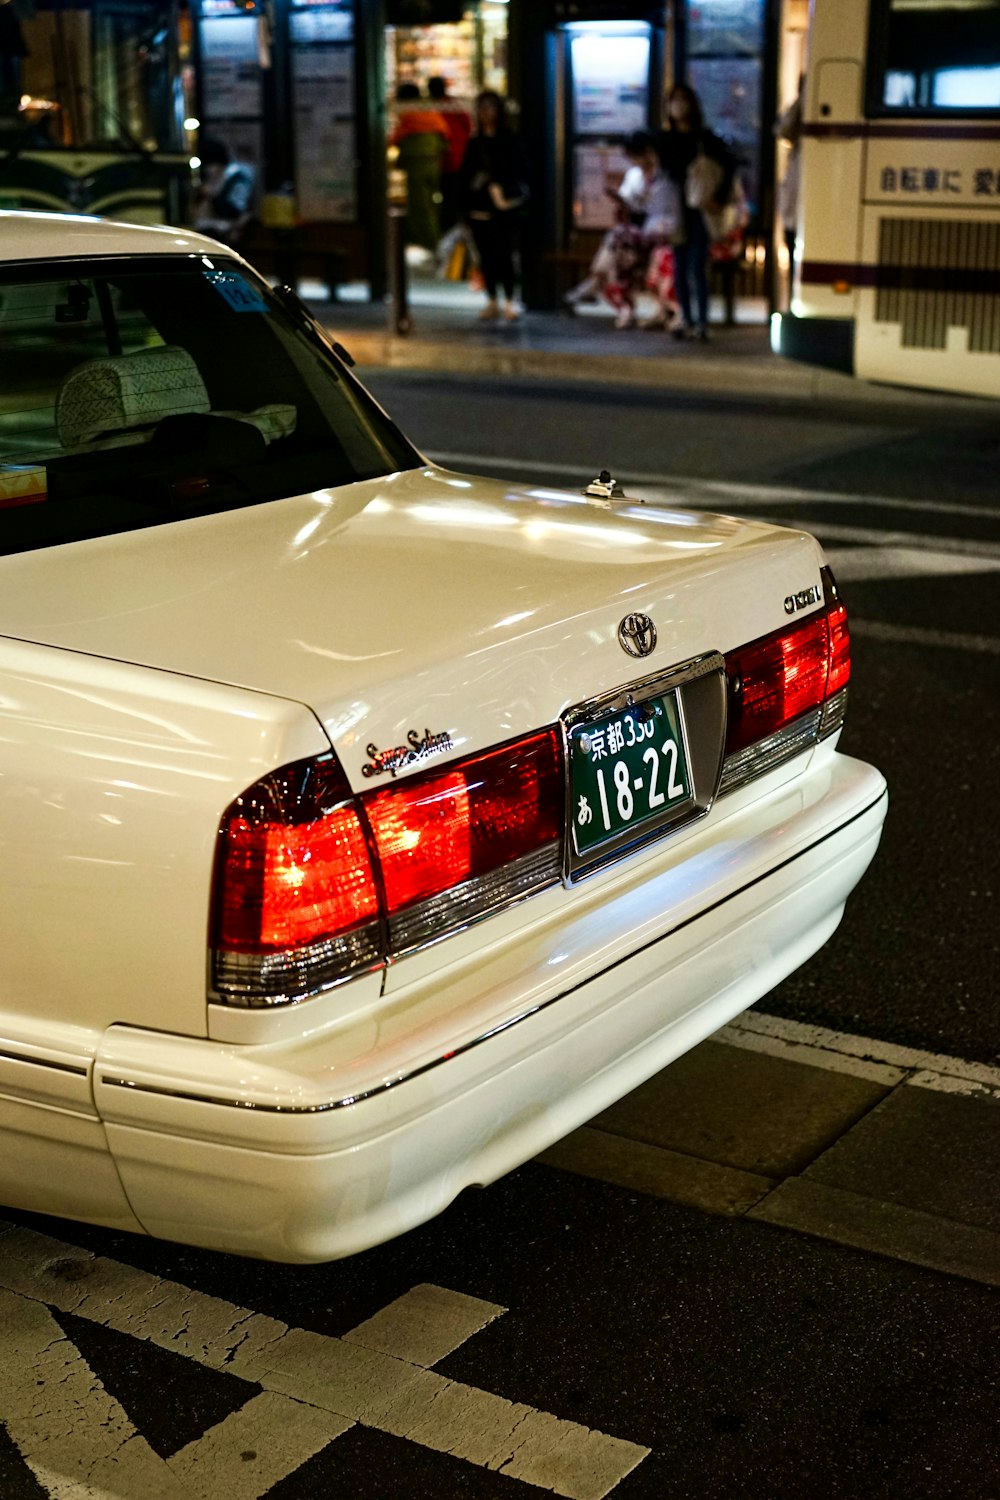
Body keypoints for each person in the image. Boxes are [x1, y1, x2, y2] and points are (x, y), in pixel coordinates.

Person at [564, 131, 681, 331]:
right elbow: (630, 209)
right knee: (619, 246)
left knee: (620, 243)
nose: (639, 160)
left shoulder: (668, 174)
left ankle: (595, 282)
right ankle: (619, 302)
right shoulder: (634, 176)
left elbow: (671, 208)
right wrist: (622, 202)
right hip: (643, 233)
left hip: (667, 233)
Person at [656, 83, 738, 341]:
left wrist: (718, 198)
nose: (679, 106)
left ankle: (701, 321)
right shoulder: (666, 140)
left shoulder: (706, 139)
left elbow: (729, 165)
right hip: (675, 211)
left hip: (700, 210)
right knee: (679, 268)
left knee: (696, 267)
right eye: (674, 100)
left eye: (683, 100)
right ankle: (686, 319)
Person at [458, 90, 528, 323]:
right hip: (479, 207)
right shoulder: (474, 142)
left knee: (505, 254)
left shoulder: (510, 140)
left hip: (504, 207)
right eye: (482, 108)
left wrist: (497, 180)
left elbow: (520, 170)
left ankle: (509, 300)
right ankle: (492, 300)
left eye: (490, 107)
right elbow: (465, 175)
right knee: (485, 256)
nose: (486, 112)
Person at [390, 81, 449, 253]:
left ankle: (429, 242)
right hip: (434, 163)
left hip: (417, 164)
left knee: (420, 205)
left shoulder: (410, 114)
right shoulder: (430, 110)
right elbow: (444, 135)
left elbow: (396, 138)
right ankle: (433, 239)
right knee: (431, 203)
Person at [427, 75, 471, 232]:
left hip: (443, 160)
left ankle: (448, 229)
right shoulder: (453, 104)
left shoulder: (430, 108)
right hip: (459, 156)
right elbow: (467, 125)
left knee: (446, 197)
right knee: (455, 196)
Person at [192, 138, 255, 247]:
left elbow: (234, 210)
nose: (208, 169)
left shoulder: (236, 177)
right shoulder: (212, 178)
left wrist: (211, 196)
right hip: (204, 231)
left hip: (225, 234)